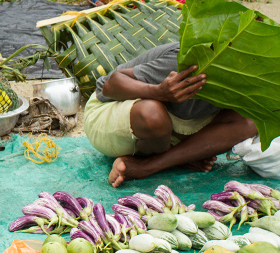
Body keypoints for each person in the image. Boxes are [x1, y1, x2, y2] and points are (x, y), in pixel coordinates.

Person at [83, 42, 257, 188]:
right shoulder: (187, 60)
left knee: (252, 119)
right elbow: (110, 86)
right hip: (109, 109)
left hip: (175, 124)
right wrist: (159, 92)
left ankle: (153, 164)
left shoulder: (253, 79)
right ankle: (169, 158)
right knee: (152, 114)